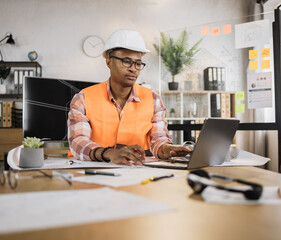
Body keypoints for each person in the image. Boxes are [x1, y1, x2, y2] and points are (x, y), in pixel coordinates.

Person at [67, 29, 192, 166]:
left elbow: (159, 140)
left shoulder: (153, 99)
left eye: (138, 63)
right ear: (108, 62)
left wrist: (167, 149)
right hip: (93, 173)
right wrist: (108, 153)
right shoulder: (83, 98)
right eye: (126, 61)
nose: (133, 69)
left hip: (137, 173)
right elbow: (78, 141)